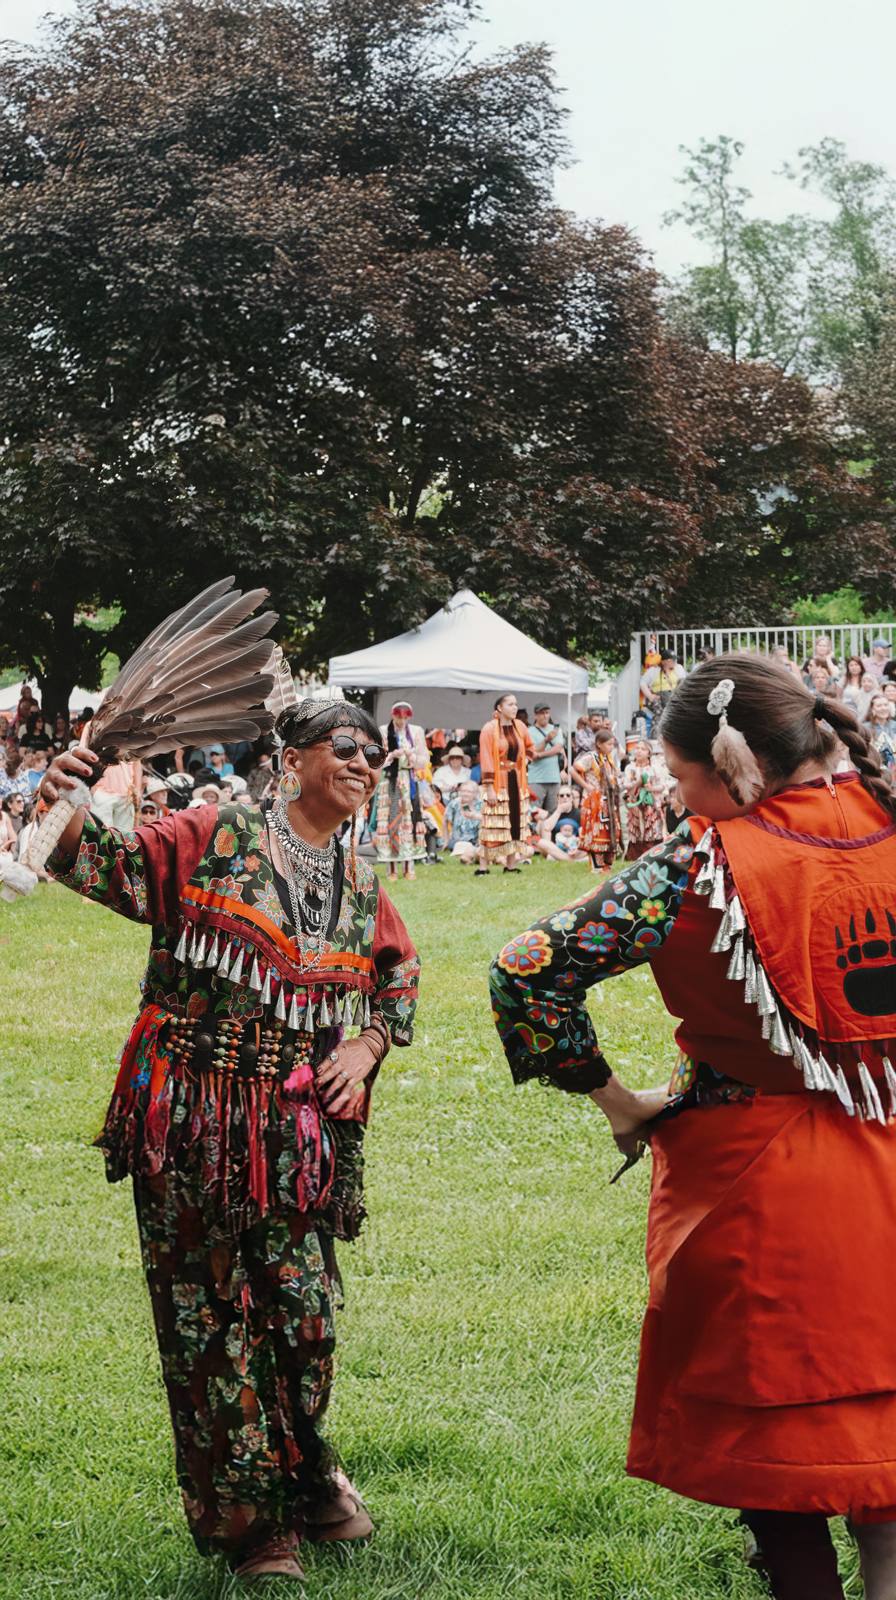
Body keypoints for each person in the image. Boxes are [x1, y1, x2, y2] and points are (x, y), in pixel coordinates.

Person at [490, 652, 896, 1600]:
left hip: (757, 1191)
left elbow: (526, 967)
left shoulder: (694, 868)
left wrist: (615, 1098)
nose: (677, 798)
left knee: (777, 1452)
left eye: (678, 778)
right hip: (888, 1166)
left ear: (731, 763)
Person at [40, 696, 419, 1583]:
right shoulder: (216, 833)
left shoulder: (360, 882)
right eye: (347, 746)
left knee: (304, 1314)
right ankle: (250, 1525)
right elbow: (101, 863)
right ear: (291, 758)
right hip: (189, 1121)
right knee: (208, 1317)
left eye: (378, 754)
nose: (366, 762)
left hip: (292, 1135)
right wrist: (63, 797)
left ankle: (311, 1469)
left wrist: (367, 1046)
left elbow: (397, 977)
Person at [476, 692, 535, 877]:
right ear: (499, 708)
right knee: (491, 822)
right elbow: (485, 757)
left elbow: (530, 747)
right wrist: (489, 787)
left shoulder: (520, 727)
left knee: (514, 822)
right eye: (510, 704)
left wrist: (525, 760)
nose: (514, 707)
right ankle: (483, 867)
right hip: (497, 780)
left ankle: (510, 865)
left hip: (516, 780)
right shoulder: (489, 728)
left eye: (516, 704)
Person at [373, 701, 428, 881]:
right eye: (399, 717)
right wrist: (392, 755)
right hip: (389, 781)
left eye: (405, 717)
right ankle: (391, 869)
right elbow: (376, 758)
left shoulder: (416, 731)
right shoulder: (382, 731)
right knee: (390, 820)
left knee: (409, 822)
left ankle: (409, 867)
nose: (402, 720)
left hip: (408, 780)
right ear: (392, 714)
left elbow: (424, 759)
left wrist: (412, 757)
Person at [574, 728, 621, 872]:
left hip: (608, 800)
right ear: (599, 744)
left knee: (613, 831)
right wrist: (587, 786)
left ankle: (608, 864)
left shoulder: (609, 758)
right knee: (596, 831)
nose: (611, 747)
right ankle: (597, 866)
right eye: (609, 744)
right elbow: (573, 770)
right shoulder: (590, 757)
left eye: (613, 744)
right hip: (594, 801)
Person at [622, 739, 666, 860]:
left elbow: (662, 785)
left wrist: (651, 788)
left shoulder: (655, 768)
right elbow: (627, 787)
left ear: (649, 753)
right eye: (637, 748)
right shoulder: (629, 768)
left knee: (653, 829)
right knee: (636, 830)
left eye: (643, 749)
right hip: (635, 805)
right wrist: (638, 783)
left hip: (651, 805)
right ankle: (634, 857)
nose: (639, 751)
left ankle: (654, 855)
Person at [527, 704, 564, 813]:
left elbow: (557, 748)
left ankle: (549, 830)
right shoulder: (529, 731)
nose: (545, 716)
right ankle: (535, 831)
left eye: (547, 713)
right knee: (534, 811)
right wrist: (546, 740)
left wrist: (538, 755)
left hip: (554, 777)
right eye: (542, 713)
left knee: (553, 812)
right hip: (536, 779)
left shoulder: (556, 729)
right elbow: (530, 753)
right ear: (535, 715)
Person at [640, 650, 687, 724]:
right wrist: (649, 695)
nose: (674, 661)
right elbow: (643, 682)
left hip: (671, 695)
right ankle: (656, 733)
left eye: (675, 659)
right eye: (672, 659)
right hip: (656, 697)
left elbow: (683, 681)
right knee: (658, 709)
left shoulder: (678, 668)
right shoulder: (654, 670)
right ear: (665, 661)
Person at [442, 781, 483, 863]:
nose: (466, 794)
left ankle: (469, 852)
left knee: (476, 845)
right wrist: (446, 840)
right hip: (458, 840)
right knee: (453, 845)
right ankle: (470, 852)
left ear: (475, 794)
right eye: (464, 791)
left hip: (475, 839)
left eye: (469, 792)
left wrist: (475, 816)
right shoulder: (454, 804)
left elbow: (487, 819)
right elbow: (444, 820)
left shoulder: (480, 804)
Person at [864, 694, 896, 767]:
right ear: (872, 708)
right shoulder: (865, 727)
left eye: (885, 705)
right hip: (873, 768)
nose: (883, 708)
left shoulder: (894, 725)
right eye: (879, 706)